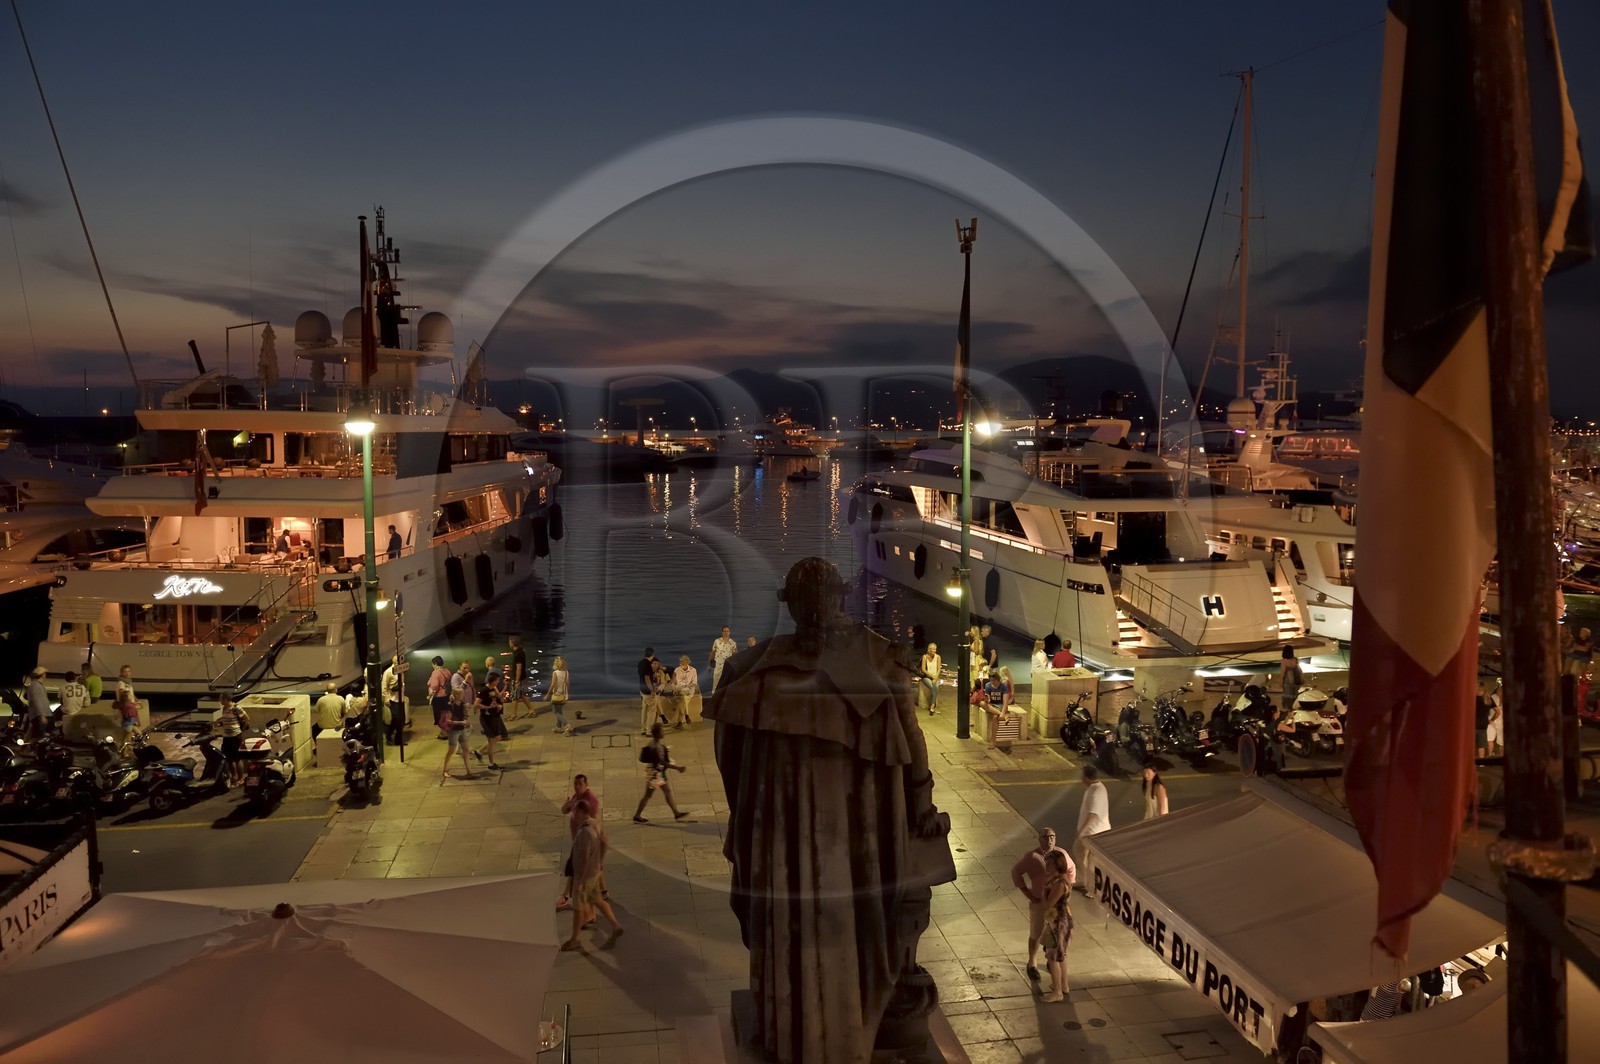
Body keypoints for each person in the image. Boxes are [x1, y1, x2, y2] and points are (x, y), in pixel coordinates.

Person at [1010, 827, 1074, 984]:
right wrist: (1029, 895)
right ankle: (1032, 962)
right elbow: (1016, 872)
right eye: (1045, 837)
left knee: (1054, 935)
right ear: (1039, 839)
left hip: (1057, 905)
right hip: (1040, 901)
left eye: (1052, 836)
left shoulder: (1061, 854)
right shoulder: (1033, 857)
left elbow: (1071, 870)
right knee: (1036, 932)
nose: (1049, 840)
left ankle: (1051, 961)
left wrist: (1066, 890)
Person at [562, 796, 622, 951]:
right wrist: (600, 861)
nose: (573, 814)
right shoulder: (595, 823)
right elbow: (605, 840)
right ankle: (615, 925)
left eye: (576, 811)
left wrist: (580, 881)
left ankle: (575, 939)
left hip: (585, 876)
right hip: (595, 872)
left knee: (578, 908)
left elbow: (584, 857)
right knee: (597, 899)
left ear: (582, 812)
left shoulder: (584, 832)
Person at [556, 774, 604, 910]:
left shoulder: (590, 801)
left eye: (580, 784)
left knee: (574, 868)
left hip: (584, 841)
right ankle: (603, 891)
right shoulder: (576, 797)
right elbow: (564, 810)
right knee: (596, 867)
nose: (577, 787)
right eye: (575, 784)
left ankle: (566, 896)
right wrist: (568, 805)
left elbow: (593, 822)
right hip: (577, 839)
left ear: (586, 785)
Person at [1037, 850, 1074, 1002]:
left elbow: (1048, 904)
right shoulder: (1060, 879)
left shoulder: (1059, 884)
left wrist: (1043, 890)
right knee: (1061, 955)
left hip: (1058, 924)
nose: (1046, 867)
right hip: (1060, 921)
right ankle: (1063, 985)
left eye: (1049, 864)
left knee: (1053, 958)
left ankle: (1058, 992)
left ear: (1057, 864)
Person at [633, 723, 689, 823]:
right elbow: (663, 762)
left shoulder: (652, 743)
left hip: (655, 772)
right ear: (658, 734)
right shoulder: (657, 747)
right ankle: (637, 815)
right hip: (656, 774)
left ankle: (676, 813)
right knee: (648, 795)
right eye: (661, 731)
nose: (663, 732)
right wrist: (677, 768)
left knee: (666, 791)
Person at [1073, 764, 1110, 878]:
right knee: (1085, 856)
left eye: (1082, 775)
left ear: (1086, 778)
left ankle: (1089, 882)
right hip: (1092, 832)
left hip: (1093, 832)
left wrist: (1082, 831)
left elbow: (1094, 814)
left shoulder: (1096, 792)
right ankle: (1088, 880)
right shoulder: (1094, 788)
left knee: (1082, 855)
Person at [441, 674, 475, 781]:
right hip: (454, 731)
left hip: (461, 729)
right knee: (451, 750)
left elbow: (464, 716)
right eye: (461, 694)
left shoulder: (462, 704)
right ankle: (445, 770)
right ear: (456, 695)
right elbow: (448, 720)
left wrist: (467, 715)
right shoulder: (451, 706)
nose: (463, 696)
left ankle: (469, 771)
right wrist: (461, 722)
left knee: (466, 750)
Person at [472, 678, 508, 769]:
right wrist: (488, 707)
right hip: (487, 719)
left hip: (494, 717)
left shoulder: (493, 689)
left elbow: (495, 700)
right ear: (493, 681)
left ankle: (479, 752)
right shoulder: (483, 690)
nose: (498, 682)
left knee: (498, 737)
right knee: (491, 740)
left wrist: (498, 706)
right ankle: (491, 764)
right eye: (497, 680)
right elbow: (476, 704)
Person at [216, 694, 250, 785]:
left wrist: (242, 730)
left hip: (235, 736)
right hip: (227, 736)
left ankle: (240, 778)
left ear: (226, 699)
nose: (220, 701)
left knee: (237, 757)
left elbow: (247, 718)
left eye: (221, 699)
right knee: (229, 757)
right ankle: (234, 776)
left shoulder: (236, 708)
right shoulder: (224, 708)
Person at [381, 655, 408, 747]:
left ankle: (396, 739)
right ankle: (390, 736)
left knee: (401, 720)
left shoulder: (401, 670)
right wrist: (386, 699)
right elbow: (384, 686)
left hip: (401, 698)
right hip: (393, 699)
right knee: (397, 719)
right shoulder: (388, 672)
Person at [505, 635, 532, 718]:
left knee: (514, 696)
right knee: (521, 695)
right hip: (521, 677)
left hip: (517, 678)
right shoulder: (520, 651)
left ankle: (513, 714)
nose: (509, 643)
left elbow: (519, 668)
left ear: (513, 643)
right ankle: (531, 710)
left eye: (510, 642)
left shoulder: (518, 654)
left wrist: (517, 680)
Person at [426, 655, 452, 738]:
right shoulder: (447, 671)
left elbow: (434, 686)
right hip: (446, 695)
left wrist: (430, 696)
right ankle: (444, 731)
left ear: (435, 664)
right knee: (445, 714)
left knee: (439, 716)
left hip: (438, 697)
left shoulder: (435, 673)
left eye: (432, 664)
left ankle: (443, 733)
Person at [547, 655, 573, 734]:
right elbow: (567, 684)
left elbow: (553, 685)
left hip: (556, 694)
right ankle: (558, 727)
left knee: (555, 712)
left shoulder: (555, 673)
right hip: (563, 694)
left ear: (556, 664)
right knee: (560, 711)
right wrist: (565, 693)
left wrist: (547, 694)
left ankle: (566, 724)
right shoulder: (566, 672)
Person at [23, 668, 51, 740]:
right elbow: (36, 701)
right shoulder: (35, 686)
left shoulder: (38, 685)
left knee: (35, 735)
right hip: (40, 716)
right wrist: (41, 715)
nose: (46, 675)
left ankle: (26, 745)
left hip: (41, 715)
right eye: (45, 674)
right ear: (42, 675)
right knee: (39, 738)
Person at [674, 655, 702, 725]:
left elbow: (694, 682)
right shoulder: (677, 670)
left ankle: (681, 720)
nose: (680, 663)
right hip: (679, 688)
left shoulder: (693, 670)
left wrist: (685, 686)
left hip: (689, 688)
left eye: (682, 662)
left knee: (683, 699)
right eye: (680, 662)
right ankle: (686, 716)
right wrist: (675, 688)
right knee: (683, 698)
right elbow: (674, 681)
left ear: (687, 662)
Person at [709, 625, 737, 692]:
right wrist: (710, 664)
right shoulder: (717, 641)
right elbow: (712, 652)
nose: (726, 632)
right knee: (716, 680)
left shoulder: (733, 643)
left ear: (729, 632)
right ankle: (715, 694)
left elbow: (735, 655)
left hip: (728, 665)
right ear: (722, 632)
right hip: (718, 664)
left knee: (728, 681)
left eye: (727, 631)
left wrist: (735, 664)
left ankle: (727, 695)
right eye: (724, 631)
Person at [637, 646, 658, 733]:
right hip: (647, 691)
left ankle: (643, 729)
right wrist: (652, 690)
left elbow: (642, 676)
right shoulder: (648, 664)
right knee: (652, 710)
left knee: (644, 710)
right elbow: (647, 679)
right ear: (652, 655)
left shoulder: (640, 663)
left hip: (641, 689)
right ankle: (649, 730)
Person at [918, 642, 941, 714]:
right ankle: (934, 707)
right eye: (933, 649)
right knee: (934, 688)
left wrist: (935, 677)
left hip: (935, 677)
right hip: (926, 677)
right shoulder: (924, 657)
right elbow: (923, 669)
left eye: (935, 649)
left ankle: (932, 705)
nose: (934, 651)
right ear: (929, 649)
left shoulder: (938, 657)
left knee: (935, 687)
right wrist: (931, 676)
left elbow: (939, 669)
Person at [1474, 683, 1494, 759]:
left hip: (1473, 724)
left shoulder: (1472, 698)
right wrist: (1492, 719)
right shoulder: (1488, 699)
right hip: (1483, 725)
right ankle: (1481, 762)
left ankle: (1470, 762)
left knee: (1471, 745)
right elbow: (1497, 711)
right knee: (1481, 746)